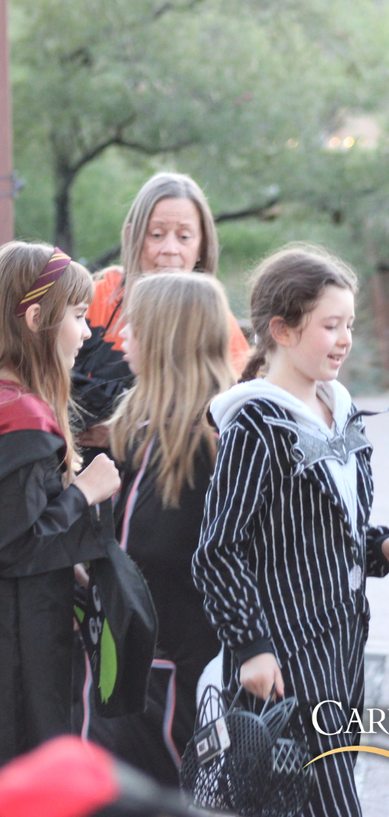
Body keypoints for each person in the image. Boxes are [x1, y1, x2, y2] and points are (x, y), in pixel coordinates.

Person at [192, 244, 389, 817]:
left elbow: (330, 523)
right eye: (330, 325)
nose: (345, 338)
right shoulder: (256, 423)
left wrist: (380, 547)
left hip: (339, 648)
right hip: (285, 657)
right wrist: (251, 648)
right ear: (282, 329)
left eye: (349, 324)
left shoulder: (339, 407)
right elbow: (217, 550)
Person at [88, 272, 233, 785]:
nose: (120, 336)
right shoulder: (140, 434)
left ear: (169, 338)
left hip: (181, 681)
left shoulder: (215, 446)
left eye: (135, 326)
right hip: (127, 673)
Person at [0, 241, 120, 763]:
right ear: (34, 317)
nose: (89, 331)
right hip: (18, 653)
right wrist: (83, 493)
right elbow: (16, 547)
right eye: (76, 315)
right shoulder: (20, 418)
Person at [72, 172, 249, 445]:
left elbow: (231, 416)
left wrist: (123, 424)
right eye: (156, 234)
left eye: (185, 237)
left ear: (203, 244)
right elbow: (52, 378)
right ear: (132, 236)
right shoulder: (95, 299)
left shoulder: (219, 325)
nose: (170, 249)